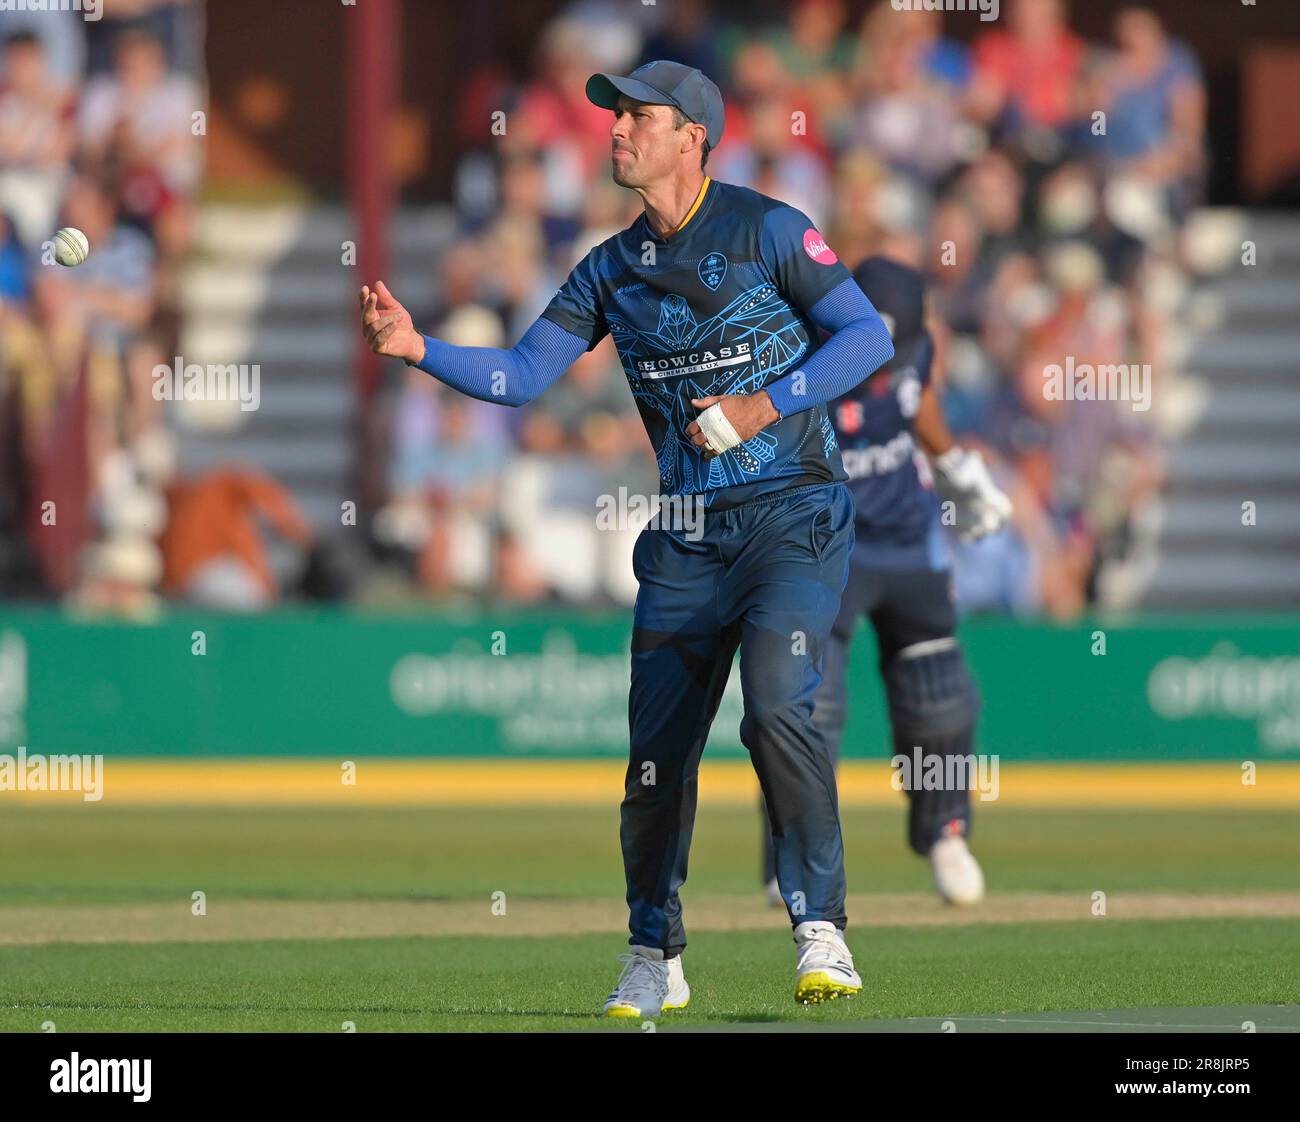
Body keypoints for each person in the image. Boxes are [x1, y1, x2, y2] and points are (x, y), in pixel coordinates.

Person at [359, 61, 895, 1017]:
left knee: (777, 707)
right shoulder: (609, 267)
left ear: (692, 135)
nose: (614, 131)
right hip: (687, 535)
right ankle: (654, 951)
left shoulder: (768, 227)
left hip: (793, 516)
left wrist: (765, 402)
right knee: (654, 764)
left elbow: (866, 337)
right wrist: (419, 349)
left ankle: (821, 928)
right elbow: (524, 376)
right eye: (613, 117)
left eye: (636, 117)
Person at [760, 257, 1011, 908]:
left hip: (905, 542)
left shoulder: (913, 351)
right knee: (809, 706)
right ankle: (792, 850)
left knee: (943, 699)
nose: (878, 365)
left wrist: (953, 464)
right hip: (828, 547)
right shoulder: (799, 355)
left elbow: (916, 396)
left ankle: (946, 834)